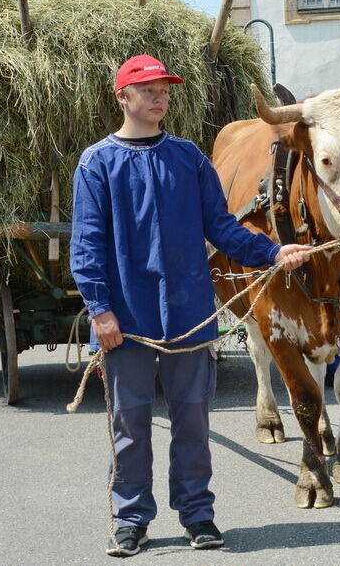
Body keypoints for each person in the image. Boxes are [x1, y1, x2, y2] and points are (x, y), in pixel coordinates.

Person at [69, 54, 310, 556]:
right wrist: (100, 310)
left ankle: (198, 515)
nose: (161, 97)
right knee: (130, 427)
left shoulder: (188, 158)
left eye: (165, 89)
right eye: (150, 89)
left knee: (193, 423)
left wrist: (272, 251)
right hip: (127, 319)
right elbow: (87, 246)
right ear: (124, 97)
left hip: (188, 312)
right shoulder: (97, 163)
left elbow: (220, 227)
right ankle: (130, 519)